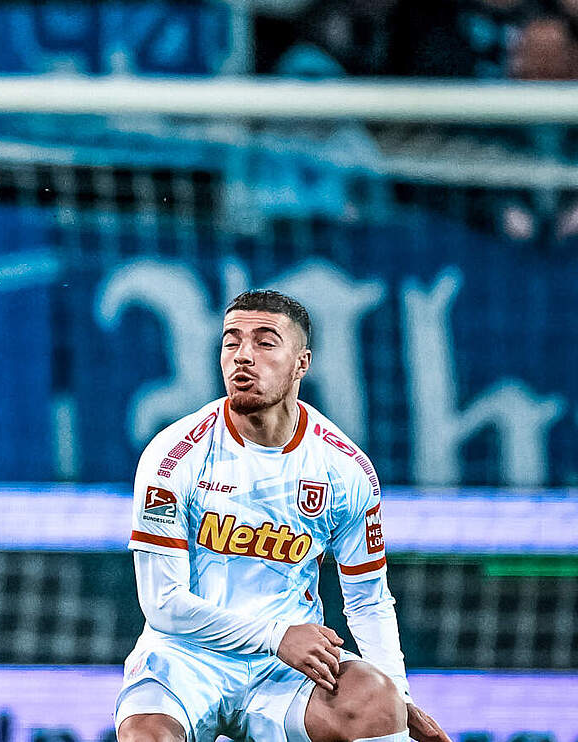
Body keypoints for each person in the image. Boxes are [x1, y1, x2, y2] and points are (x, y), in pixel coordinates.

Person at [116, 290, 449, 742]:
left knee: (376, 703)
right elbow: (163, 605)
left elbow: (368, 600)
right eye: (231, 341)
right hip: (187, 658)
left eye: (265, 342)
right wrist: (277, 636)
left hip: (287, 670)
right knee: (145, 736)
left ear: (301, 363)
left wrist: (401, 700)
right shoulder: (174, 457)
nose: (242, 355)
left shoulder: (344, 467)